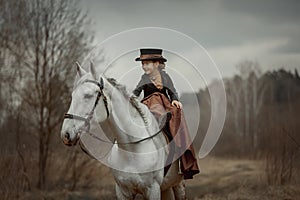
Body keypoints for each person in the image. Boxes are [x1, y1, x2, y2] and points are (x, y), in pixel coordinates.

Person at [133, 48, 199, 179]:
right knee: (148, 108)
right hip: (150, 106)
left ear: (157, 64)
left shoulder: (165, 77)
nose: (144, 66)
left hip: (165, 106)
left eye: (147, 63)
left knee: (177, 112)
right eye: (142, 64)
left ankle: (179, 147)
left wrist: (175, 100)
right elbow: (136, 91)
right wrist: (131, 99)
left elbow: (172, 91)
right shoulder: (144, 78)